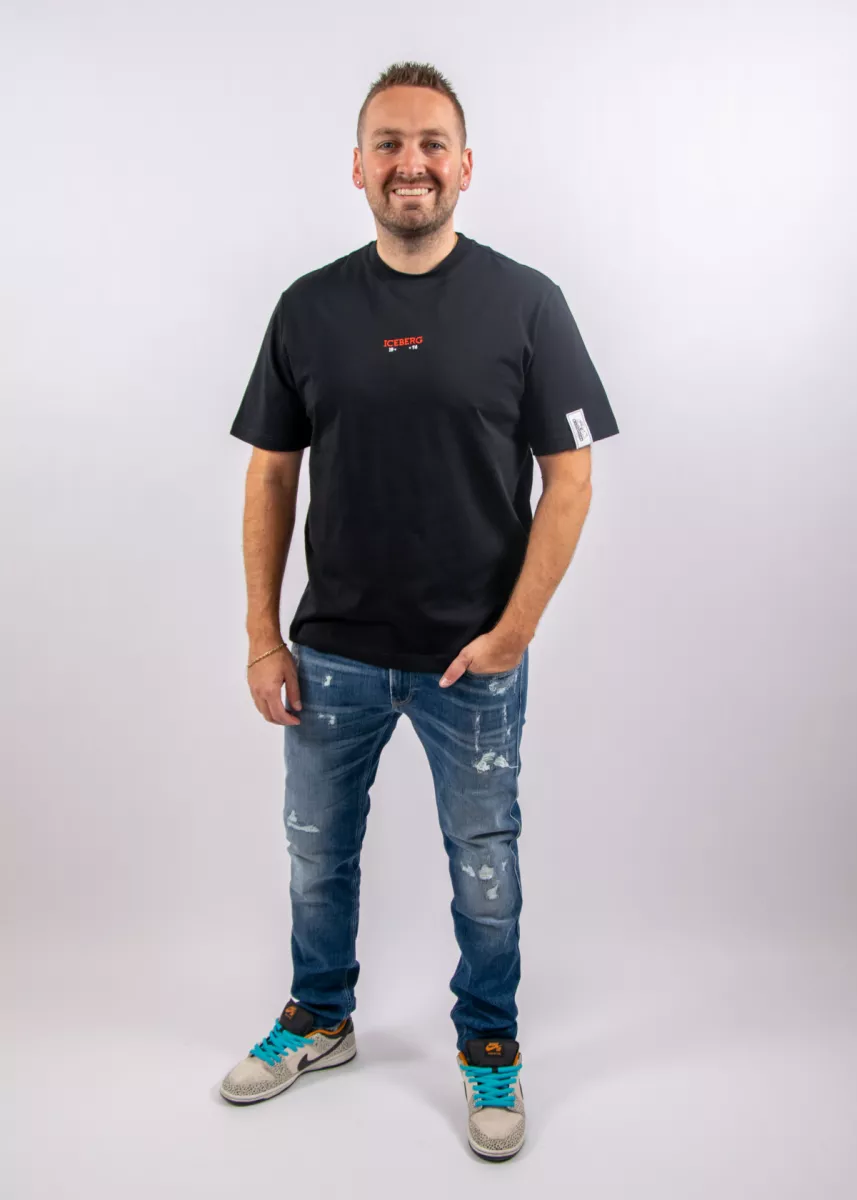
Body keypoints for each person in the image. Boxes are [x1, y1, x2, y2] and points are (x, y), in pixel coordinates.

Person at [218, 60, 619, 1161]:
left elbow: (570, 477)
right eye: (389, 144)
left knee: (484, 870)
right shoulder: (307, 307)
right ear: (356, 167)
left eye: (432, 143)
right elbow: (270, 475)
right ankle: (320, 1018)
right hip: (331, 654)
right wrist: (261, 636)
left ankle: (489, 1043)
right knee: (316, 857)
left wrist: (513, 633)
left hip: (469, 661)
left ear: (465, 166)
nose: (411, 163)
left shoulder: (526, 302)